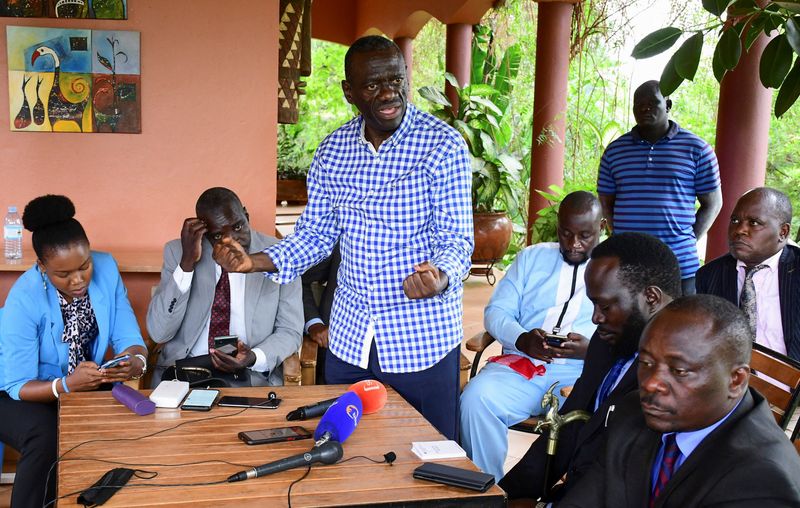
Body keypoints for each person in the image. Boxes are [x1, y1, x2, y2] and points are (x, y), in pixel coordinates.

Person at [213, 36, 473, 439]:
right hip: (350, 340)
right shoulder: (333, 151)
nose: (389, 93)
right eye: (373, 85)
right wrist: (254, 262)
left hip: (421, 338)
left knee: (426, 459)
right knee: (347, 454)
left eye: (396, 79)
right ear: (349, 91)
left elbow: (456, 238)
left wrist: (439, 275)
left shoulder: (442, 145)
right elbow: (315, 236)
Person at [559, 295, 800, 507]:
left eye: (679, 371)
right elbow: (587, 498)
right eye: (646, 363)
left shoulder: (763, 478)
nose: (651, 384)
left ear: (735, 380)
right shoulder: (632, 412)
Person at [499, 232, 682, 502]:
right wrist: (506, 496)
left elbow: (625, 476)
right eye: (594, 305)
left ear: (652, 298)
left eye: (605, 306)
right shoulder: (609, 340)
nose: (596, 318)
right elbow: (568, 425)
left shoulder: (678, 375)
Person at [0, 195, 147, 508]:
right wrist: (67, 385)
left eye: (84, 266)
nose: (78, 280)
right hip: (18, 392)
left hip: (82, 382)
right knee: (46, 436)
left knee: (131, 422)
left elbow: (128, 336)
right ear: (42, 267)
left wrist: (135, 361)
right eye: (63, 275)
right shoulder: (24, 298)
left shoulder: (106, 268)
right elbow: (16, 384)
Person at [460, 191, 605, 482]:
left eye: (585, 236)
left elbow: (630, 332)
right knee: (476, 400)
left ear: (601, 228)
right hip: (524, 367)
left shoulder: (616, 267)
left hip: (583, 375)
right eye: (566, 233)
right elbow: (497, 311)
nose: (574, 244)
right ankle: (488, 492)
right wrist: (523, 338)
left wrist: (592, 350)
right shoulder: (531, 258)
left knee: (604, 423)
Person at [147, 187, 303, 386]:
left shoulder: (280, 256)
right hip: (185, 374)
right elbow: (159, 332)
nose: (232, 240)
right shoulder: (178, 252)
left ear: (246, 215)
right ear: (205, 234)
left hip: (250, 376)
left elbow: (290, 330)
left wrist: (253, 357)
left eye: (238, 227)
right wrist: (186, 264)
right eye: (218, 235)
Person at [597, 80, 722, 296]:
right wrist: (620, 238)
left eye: (653, 103)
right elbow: (606, 202)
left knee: (680, 327)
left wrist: (687, 238)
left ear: (668, 104)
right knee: (630, 328)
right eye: (638, 104)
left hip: (680, 266)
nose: (645, 108)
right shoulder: (615, 151)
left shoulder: (697, 149)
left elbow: (713, 204)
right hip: (628, 264)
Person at [697, 187, 799, 360]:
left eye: (754, 222)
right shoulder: (709, 275)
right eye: (735, 221)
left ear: (783, 232)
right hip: (733, 383)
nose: (739, 230)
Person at [301, 242, 340, 384]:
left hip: (399, 360)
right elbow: (298, 277)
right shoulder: (344, 240)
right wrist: (314, 323)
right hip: (334, 352)